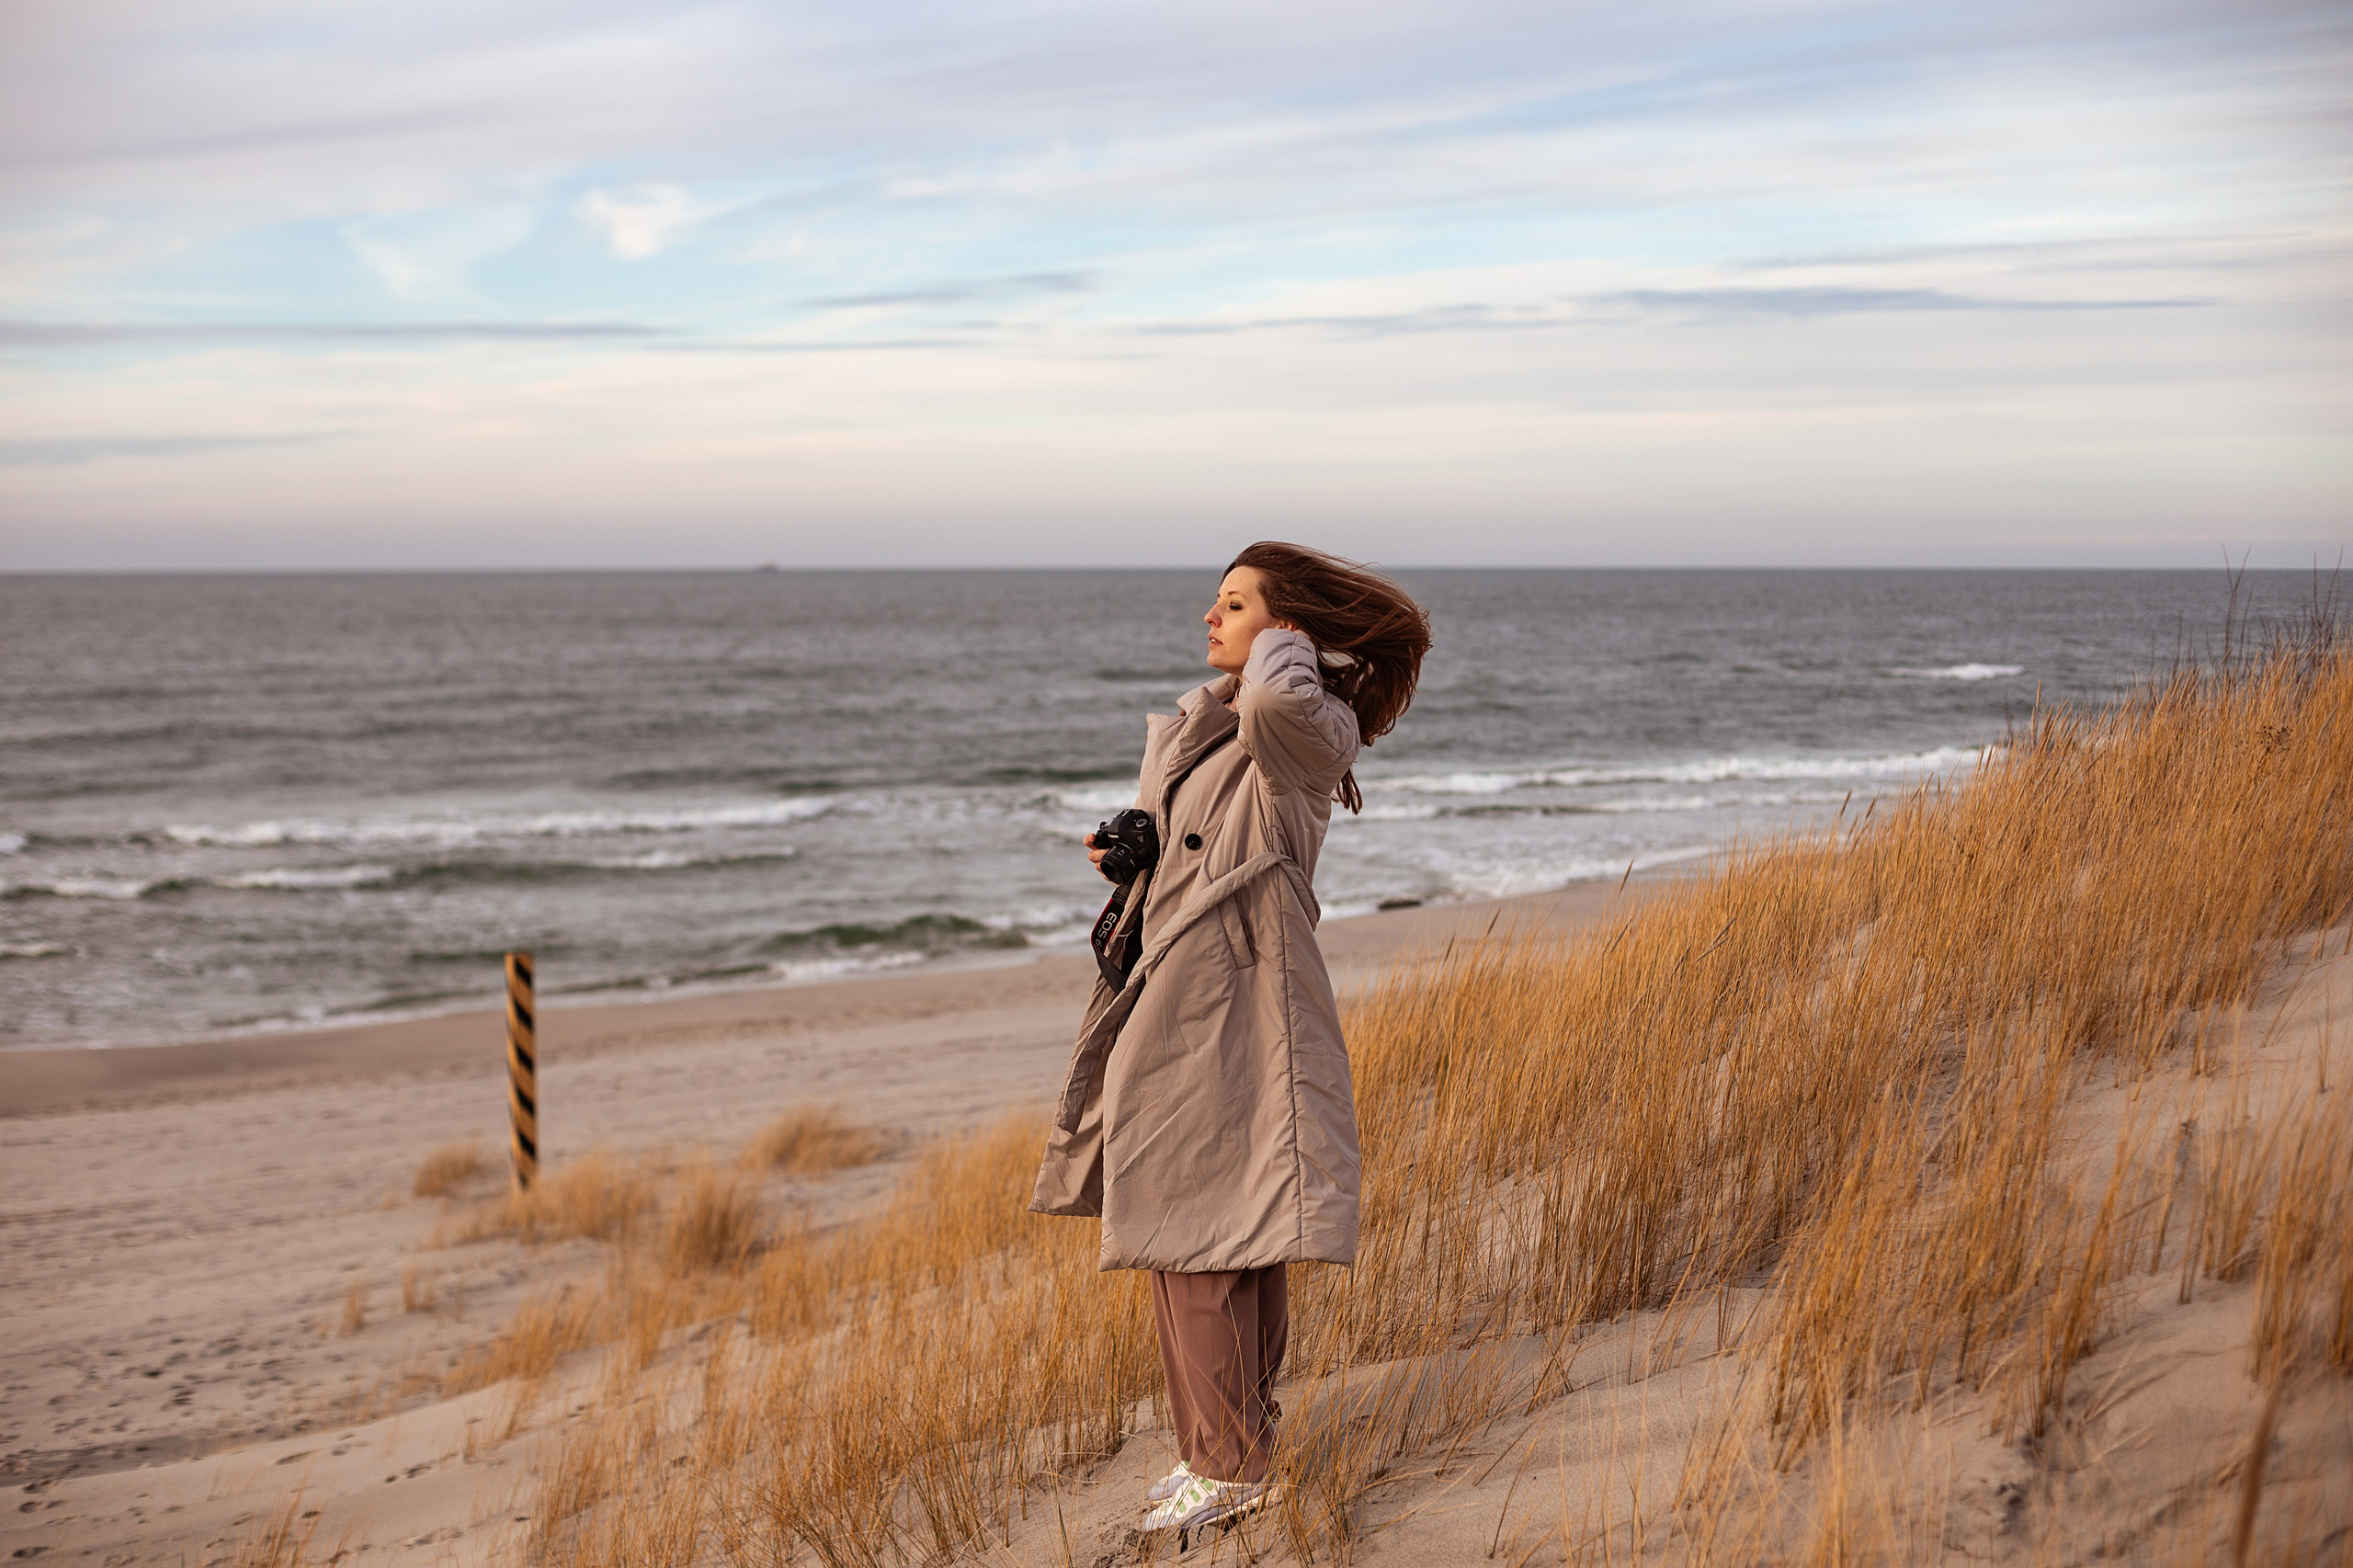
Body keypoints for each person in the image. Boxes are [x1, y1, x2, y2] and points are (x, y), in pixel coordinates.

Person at [1030, 541, 1431, 1538]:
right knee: (1213, 1229)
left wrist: (1286, 648)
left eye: (1235, 604)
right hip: (1181, 986)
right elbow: (1190, 838)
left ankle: (1231, 1463)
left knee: (1203, 1229)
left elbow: (1273, 715)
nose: (1210, 619)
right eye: (1215, 603)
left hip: (1242, 992)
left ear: (1287, 629)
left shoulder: (1302, 721)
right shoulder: (1206, 721)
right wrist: (1125, 850)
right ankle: (1225, 1446)